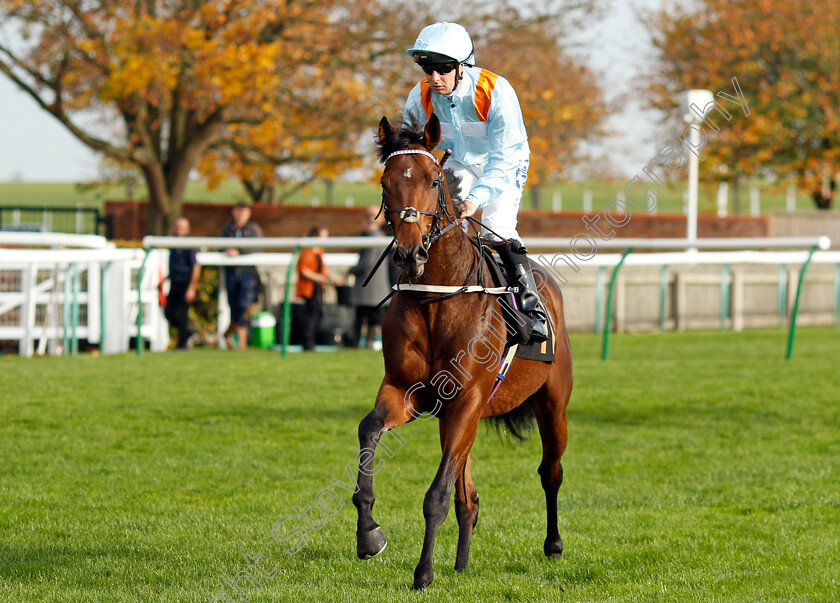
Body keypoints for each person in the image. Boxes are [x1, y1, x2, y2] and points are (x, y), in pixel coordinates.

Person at [403, 21, 547, 342]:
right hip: (458, 162)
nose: (434, 78)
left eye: (443, 69)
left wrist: (474, 199)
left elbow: (503, 160)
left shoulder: (496, 91)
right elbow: (413, 148)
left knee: (497, 225)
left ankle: (530, 309)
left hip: (505, 162)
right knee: (451, 230)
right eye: (428, 68)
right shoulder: (421, 95)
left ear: (462, 67)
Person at [221, 201, 263, 350]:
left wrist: (239, 252)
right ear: (233, 212)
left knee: (243, 305)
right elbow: (221, 245)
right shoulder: (227, 228)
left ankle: (241, 343)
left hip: (248, 272)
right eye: (238, 211)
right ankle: (229, 336)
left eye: (244, 211)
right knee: (234, 305)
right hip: (231, 272)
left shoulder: (253, 229)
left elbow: (257, 247)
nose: (240, 214)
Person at [349, 206, 392, 348]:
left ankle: (361, 343)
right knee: (375, 318)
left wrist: (350, 270)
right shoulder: (381, 236)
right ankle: (370, 342)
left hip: (368, 288)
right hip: (378, 289)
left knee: (361, 318)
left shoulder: (371, 237)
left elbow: (367, 262)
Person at [296, 226, 339, 351]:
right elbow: (304, 270)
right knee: (310, 315)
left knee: (316, 314)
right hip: (309, 287)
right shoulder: (307, 250)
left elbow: (323, 268)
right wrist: (319, 278)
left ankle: (312, 340)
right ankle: (307, 342)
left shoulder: (319, 251)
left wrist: (331, 278)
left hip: (317, 288)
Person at [165, 217, 200, 349]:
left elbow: (196, 266)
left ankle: (182, 344)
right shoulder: (173, 243)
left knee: (182, 313)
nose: (179, 230)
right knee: (169, 312)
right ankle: (188, 333)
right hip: (174, 282)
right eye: (177, 227)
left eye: (182, 228)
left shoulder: (188, 245)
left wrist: (191, 288)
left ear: (188, 230)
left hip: (185, 282)